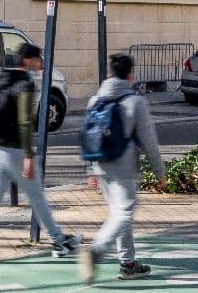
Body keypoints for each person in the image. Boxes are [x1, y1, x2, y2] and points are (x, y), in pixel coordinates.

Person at [0, 41, 79, 265]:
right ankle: (58, 241)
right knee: (36, 195)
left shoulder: (5, 78)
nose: (41, 63)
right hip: (13, 147)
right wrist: (28, 155)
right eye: (37, 59)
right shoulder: (25, 85)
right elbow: (25, 122)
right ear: (27, 61)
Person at [77, 53, 165, 283]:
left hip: (101, 164)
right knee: (124, 213)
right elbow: (149, 141)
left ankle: (128, 263)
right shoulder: (135, 101)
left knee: (119, 215)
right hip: (124, 166)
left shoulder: (95, 100)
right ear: (130, 76)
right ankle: (96, 250)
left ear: (108, 74)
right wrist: (160, 171)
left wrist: (90, 169)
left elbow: (88, 136)